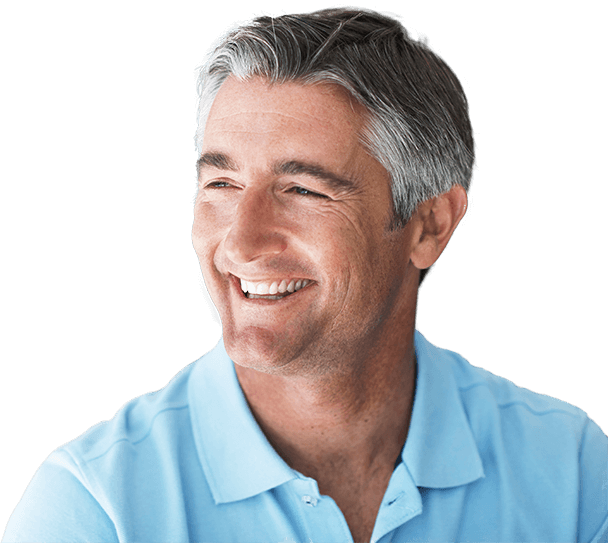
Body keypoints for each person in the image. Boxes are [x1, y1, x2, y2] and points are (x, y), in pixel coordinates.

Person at [4, 7, 607, 543]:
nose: (239, 242)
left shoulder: (575, 472)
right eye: (221, 183)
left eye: (302, 189)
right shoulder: (94, 509)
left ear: (429, 225)